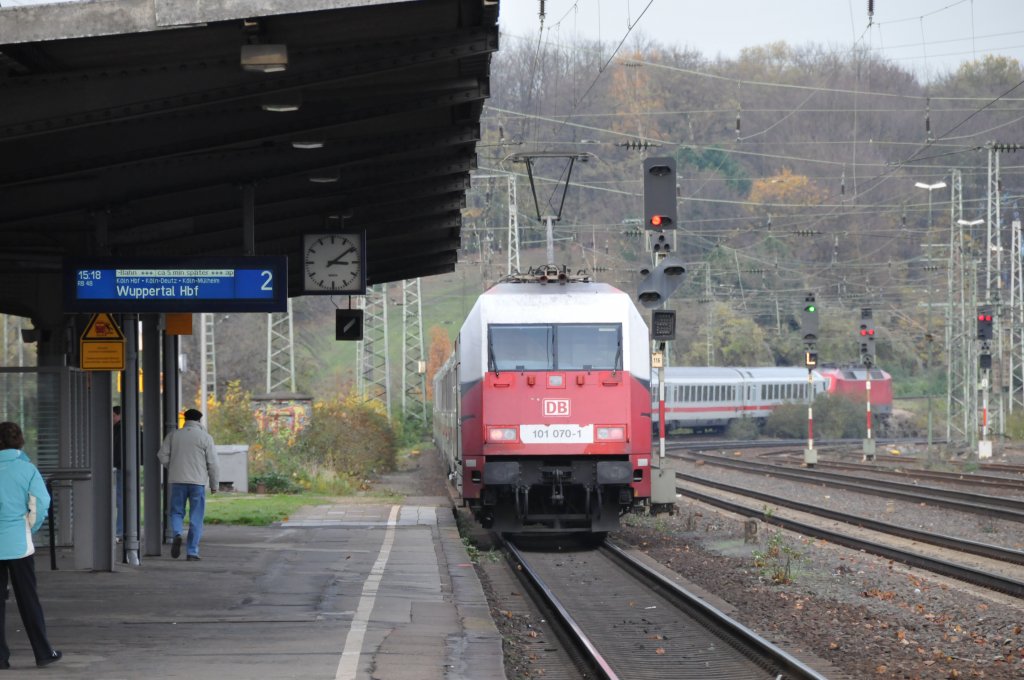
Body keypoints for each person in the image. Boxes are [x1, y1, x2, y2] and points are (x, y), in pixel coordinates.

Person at [0, 422, 62, 669]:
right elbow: (41, 503)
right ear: (20, 442)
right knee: (28, 599)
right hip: (19, 545)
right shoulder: (28, 470)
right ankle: (43, 652)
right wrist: (28, 527)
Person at [157, 409, 218, 561]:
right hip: (197, 482)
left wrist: (172, 466)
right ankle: (192, 552)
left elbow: (161, 455)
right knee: (196, 517)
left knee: (176, 512)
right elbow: (213, 463)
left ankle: (177, 532)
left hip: (177, 480)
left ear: (184, 419)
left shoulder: (174, 435)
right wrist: (214, 484)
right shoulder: (205, 437)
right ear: (199, 420)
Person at [112, 406, 123, 542]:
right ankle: (120, 530)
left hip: (119, 468)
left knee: (120, 501)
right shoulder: (118, 429)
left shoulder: (119, 430)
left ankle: (120, 531)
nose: (112, 419)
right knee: (120, 500)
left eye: (114, 415)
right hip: (119, 467)